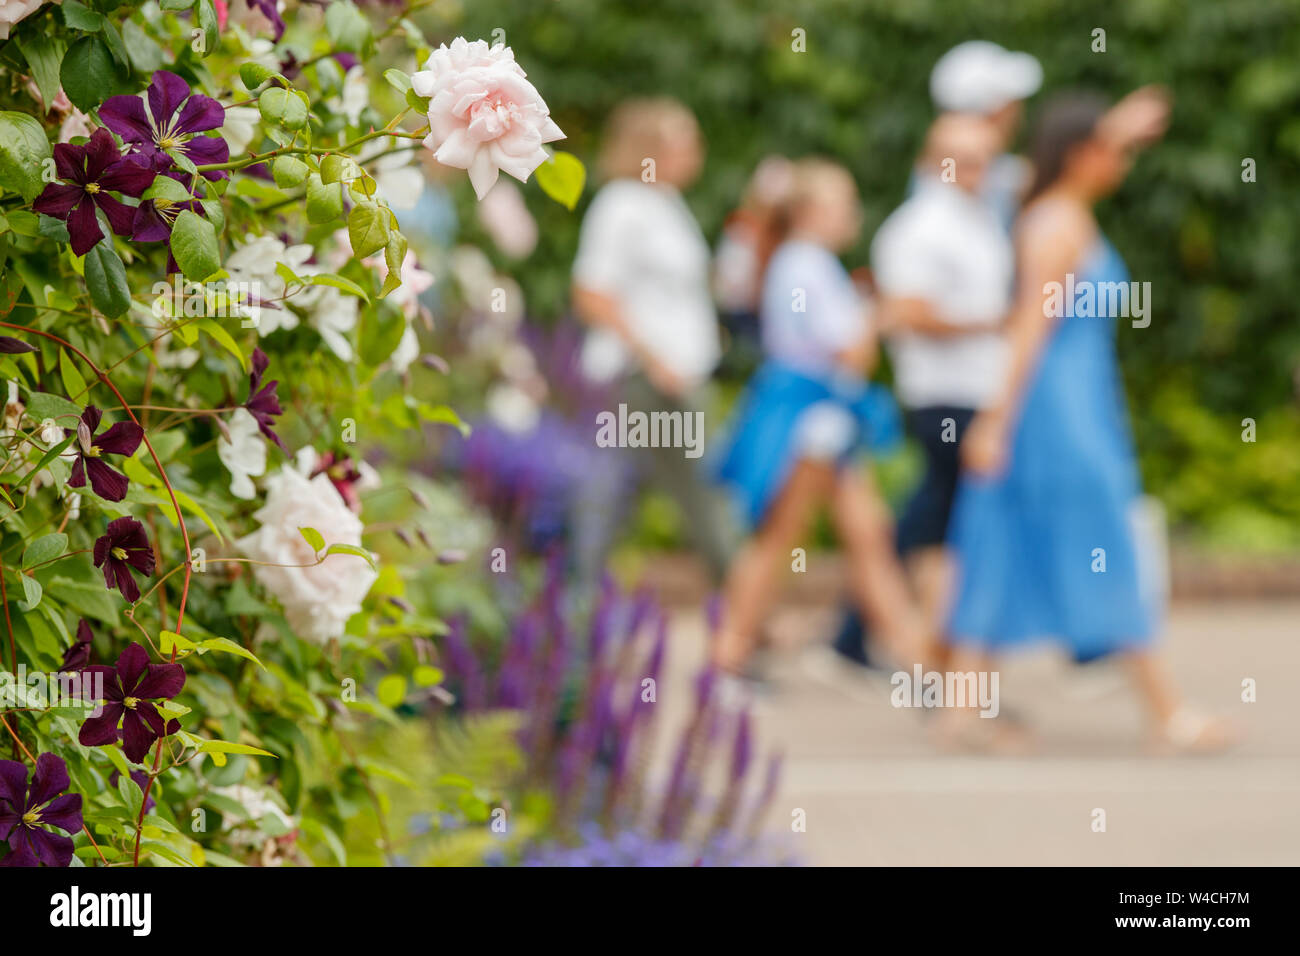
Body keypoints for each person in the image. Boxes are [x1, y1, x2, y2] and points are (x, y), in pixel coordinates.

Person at [942, 88, 1233, 752]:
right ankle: (1167, 712)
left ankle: (962, 709)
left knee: (1005, 536)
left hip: (1076, 402)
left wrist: (1118, 128)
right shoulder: (1055, 225)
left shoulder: (1060, 211)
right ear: (1081, 154)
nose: (1122, 164)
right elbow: (1028, 329)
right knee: (1100, 542)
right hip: (1056, 412)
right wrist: (995, 420)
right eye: (1110, 152)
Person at [821, 41, 1042, 677]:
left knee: (941, 521)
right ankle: (929, 661)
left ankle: (905, 649)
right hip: (946, 394)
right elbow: (910, 310)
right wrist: (996, 322)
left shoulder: (973, 216)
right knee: (942, 529)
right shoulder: (921, 226)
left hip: (976, 389)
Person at [711, 158, 923, 685]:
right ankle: (728, 655)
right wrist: (880, 316)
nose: (853, 214)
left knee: (862, 536)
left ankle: (921, 666)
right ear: (811, 211)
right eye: (842, 203)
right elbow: (851, 353)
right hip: (815, 427)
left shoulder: (799, 263)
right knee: (788, 538)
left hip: (820, 423)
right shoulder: (806, 265)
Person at [569, 98, 735, 594]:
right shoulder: (622, 205)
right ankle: (576, 606)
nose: (697, 153)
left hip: (679, 377)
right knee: (689, 493)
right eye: (687, 143)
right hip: (644, 382)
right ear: (652, 149)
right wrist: (655, 358)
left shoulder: (666, 202)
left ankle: (578, 605)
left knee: (660, 495)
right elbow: (592, 295)